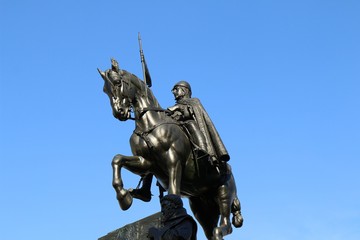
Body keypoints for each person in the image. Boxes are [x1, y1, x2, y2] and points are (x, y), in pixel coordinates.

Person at [167, 81, 230, 163]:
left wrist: (179, 108)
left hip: (189, 124)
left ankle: (204, 151)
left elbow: (189, 114)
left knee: (191, 124)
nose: (174, 92)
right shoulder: (176, 105)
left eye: (176, 89)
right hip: (179, 126)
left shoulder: (194, 101)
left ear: (184, 90)